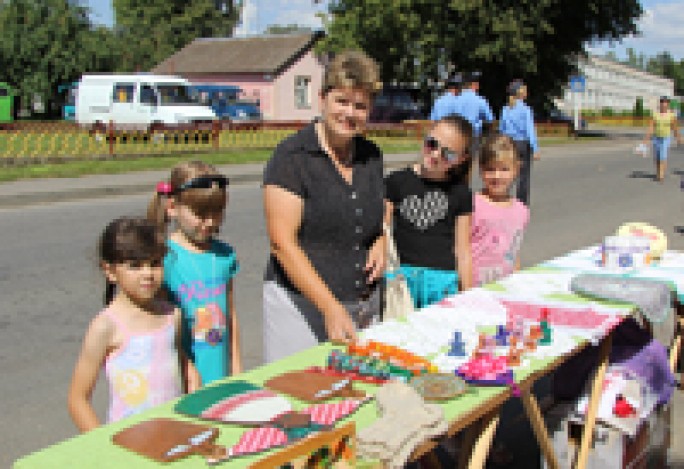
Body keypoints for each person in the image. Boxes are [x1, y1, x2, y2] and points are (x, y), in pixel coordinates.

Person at [262, 50, 385, 362]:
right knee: (303, 400)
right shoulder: (293, 157)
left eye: (360, 105)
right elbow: (282, 243)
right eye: (341, 101)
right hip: (300, 306)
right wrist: (330, 307)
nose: (350, 112)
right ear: (322, 99)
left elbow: (373, 212)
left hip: (362, 305)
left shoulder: (371, 156)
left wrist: (381, 240)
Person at [68, 217, 199, 432]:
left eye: (155, 263)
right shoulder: (106, 327)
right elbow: (78, 399)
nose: (147, 273)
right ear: (110, 271)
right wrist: (104, 446)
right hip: (129, 442)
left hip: (176, 432)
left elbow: (183, 364)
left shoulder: (171, 315)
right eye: (135, 266)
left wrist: (194, 394)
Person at [148, 161, 241, 386]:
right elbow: (160, 325)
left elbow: (230, 314)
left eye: (216, 213)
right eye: (200, 214)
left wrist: (236, 367)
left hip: (219, 373)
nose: (209, 222)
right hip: (183, 380)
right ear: (172, 207)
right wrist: (187, 370)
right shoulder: (163, 259)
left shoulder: (224, 255)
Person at [384, 115, 474, 309]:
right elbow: (381, 231)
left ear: (461, 159)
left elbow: (463, 252)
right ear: (426, 137)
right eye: (432, 144)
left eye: (448, 154)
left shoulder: (461, 193)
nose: (435, 155)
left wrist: (468, 297)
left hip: (442, 284)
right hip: (402, 281)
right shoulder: (396, 181)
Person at [471, 134, 530, 287]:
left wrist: (516, 284)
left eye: (504, 169)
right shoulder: (472, 205)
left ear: (516, 169)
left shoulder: (521, 211)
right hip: (473, 289)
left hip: (504, 287)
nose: (497, 176)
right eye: (490, 169)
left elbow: (514, 253)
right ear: (481, 169)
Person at [499, 79, 539, 205]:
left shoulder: (506, 109)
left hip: (509, 143)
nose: (526, 92)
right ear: (520, 93)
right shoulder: (525, 110)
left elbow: (502, 129)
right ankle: (521, 203)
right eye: (525, 90)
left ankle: (503, 197)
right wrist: (535, 148)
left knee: (508, 171)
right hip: (522, 144)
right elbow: (530, 130)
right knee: (523, 175)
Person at [642, 96, 683, 182]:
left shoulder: (671, 115)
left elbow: (674, 127)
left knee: (663, 156)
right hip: (656, 138)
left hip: (666, 138)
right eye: (662, 103)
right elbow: (651, 127)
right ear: (660, 104)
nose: (664, 105)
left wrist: (678, 137)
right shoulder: (655, 114)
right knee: (657, 157)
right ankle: (658, 172)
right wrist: (646, 139)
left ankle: (661, 174)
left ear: (668, 105)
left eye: (666, 103)